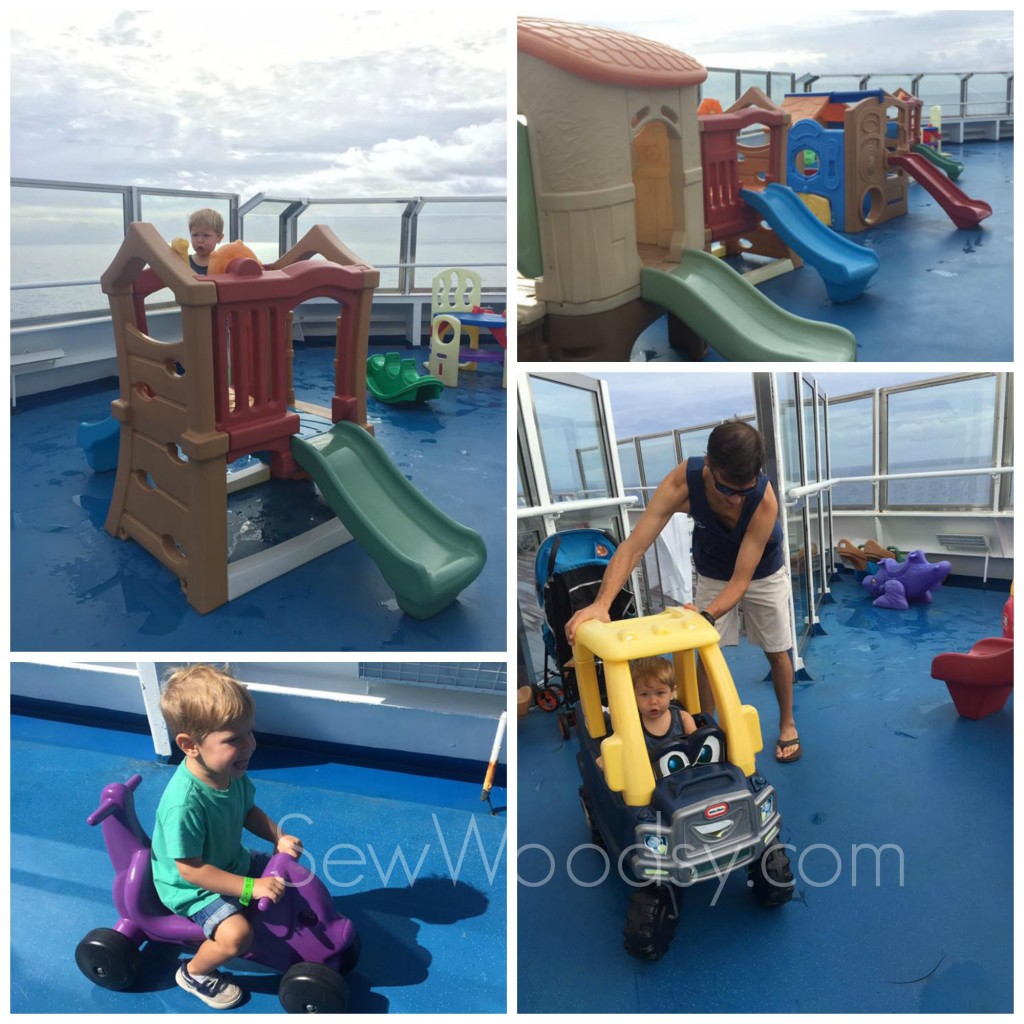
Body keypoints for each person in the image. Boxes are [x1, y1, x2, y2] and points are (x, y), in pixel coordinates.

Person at [566, 420, 801, 764]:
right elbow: (634, 546)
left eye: (744, 491)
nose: (736, 501)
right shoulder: (682, 483)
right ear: (709, 463)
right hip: (712, 569)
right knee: (706, 651)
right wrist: (602, 604)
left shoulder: (763, 502)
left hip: (762, 573)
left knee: (779, 650)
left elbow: (741, 581)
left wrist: (703, 617)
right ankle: (706, 727)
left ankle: (787, 722)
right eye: (727, 490)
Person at [150, 665, 303, 1009]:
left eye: (250, 732)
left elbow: (248, 810)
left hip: (227, 859)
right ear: (190, 745)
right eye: (234, 739)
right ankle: (193, 973)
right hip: (192, 888)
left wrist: (278, 837)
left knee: (289, 875)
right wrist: (251, 887)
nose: (250, 745)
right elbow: (191, 871)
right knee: (237, 936)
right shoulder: (184, 805)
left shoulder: (229, 772)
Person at [631, 655, 697, 753]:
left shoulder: (683, 719)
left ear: (671, 693)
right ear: (633, 696)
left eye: (660, 693)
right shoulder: (634, 726)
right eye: (644, 694)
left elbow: (698, 746)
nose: (653, 701)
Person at [187, 208, 224, 275]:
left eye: (206, 235)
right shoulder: (184, 263)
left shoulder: (223, 265)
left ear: (219, 238)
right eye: (195, 235)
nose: (200, 240)